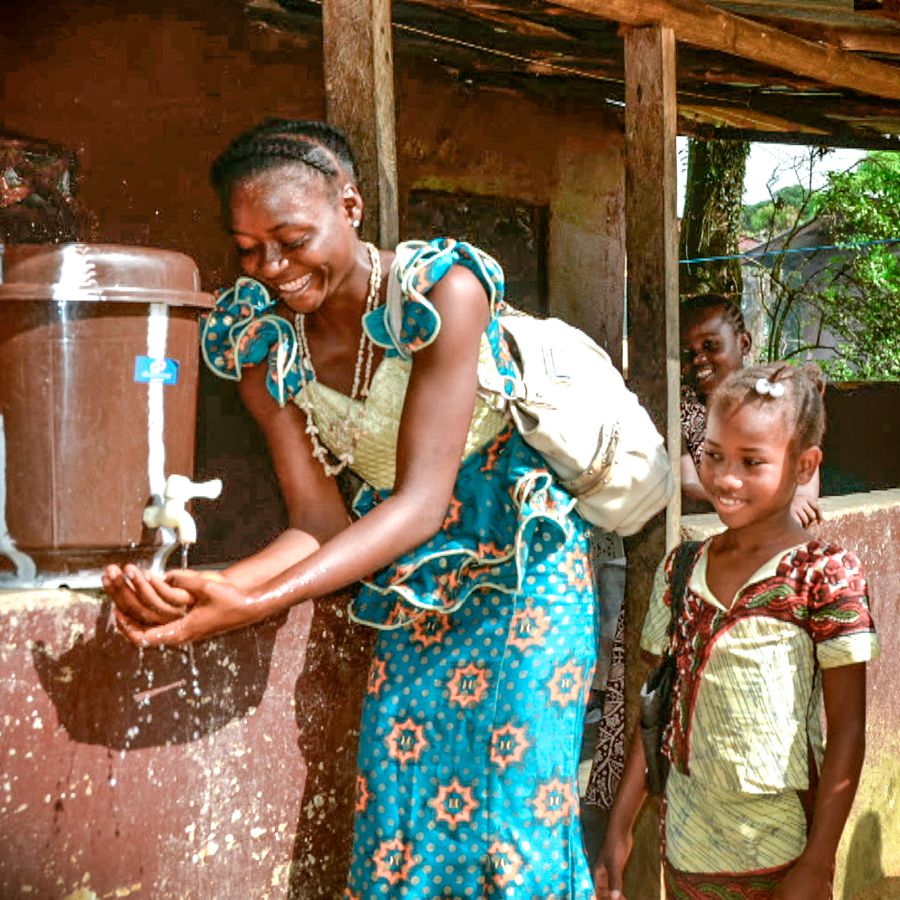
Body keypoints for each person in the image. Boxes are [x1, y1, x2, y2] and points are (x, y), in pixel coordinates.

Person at [103, 119, 599, 897]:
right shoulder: (263, 344)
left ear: (351, 207)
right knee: (401, 817)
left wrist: (255, 603)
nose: (273, 268)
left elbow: (423, 502)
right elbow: (319, 521)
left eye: (292, 240)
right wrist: (216, 590)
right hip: (408, 581)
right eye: (248, 249)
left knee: (511, 825)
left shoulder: (443, 294)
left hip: (521, 575)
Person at [594, 362, 880, 899]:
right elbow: (656, 706)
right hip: (686, 847)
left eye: (752, 462)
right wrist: (620, 825)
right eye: (714, 455)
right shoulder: (680, 570)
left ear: (804, 464)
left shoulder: (823, 575)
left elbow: (847, 731)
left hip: (782, 854)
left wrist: (818, 861)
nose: (726, 478)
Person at [680, 294, 822, 526]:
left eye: (710, 345)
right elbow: (688, 485)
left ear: (744, 343)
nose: (697, 359)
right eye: (687, 353)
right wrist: (742, 500)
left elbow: (802, 454)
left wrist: (800, 497)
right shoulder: (680, 409)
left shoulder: (768, 394)